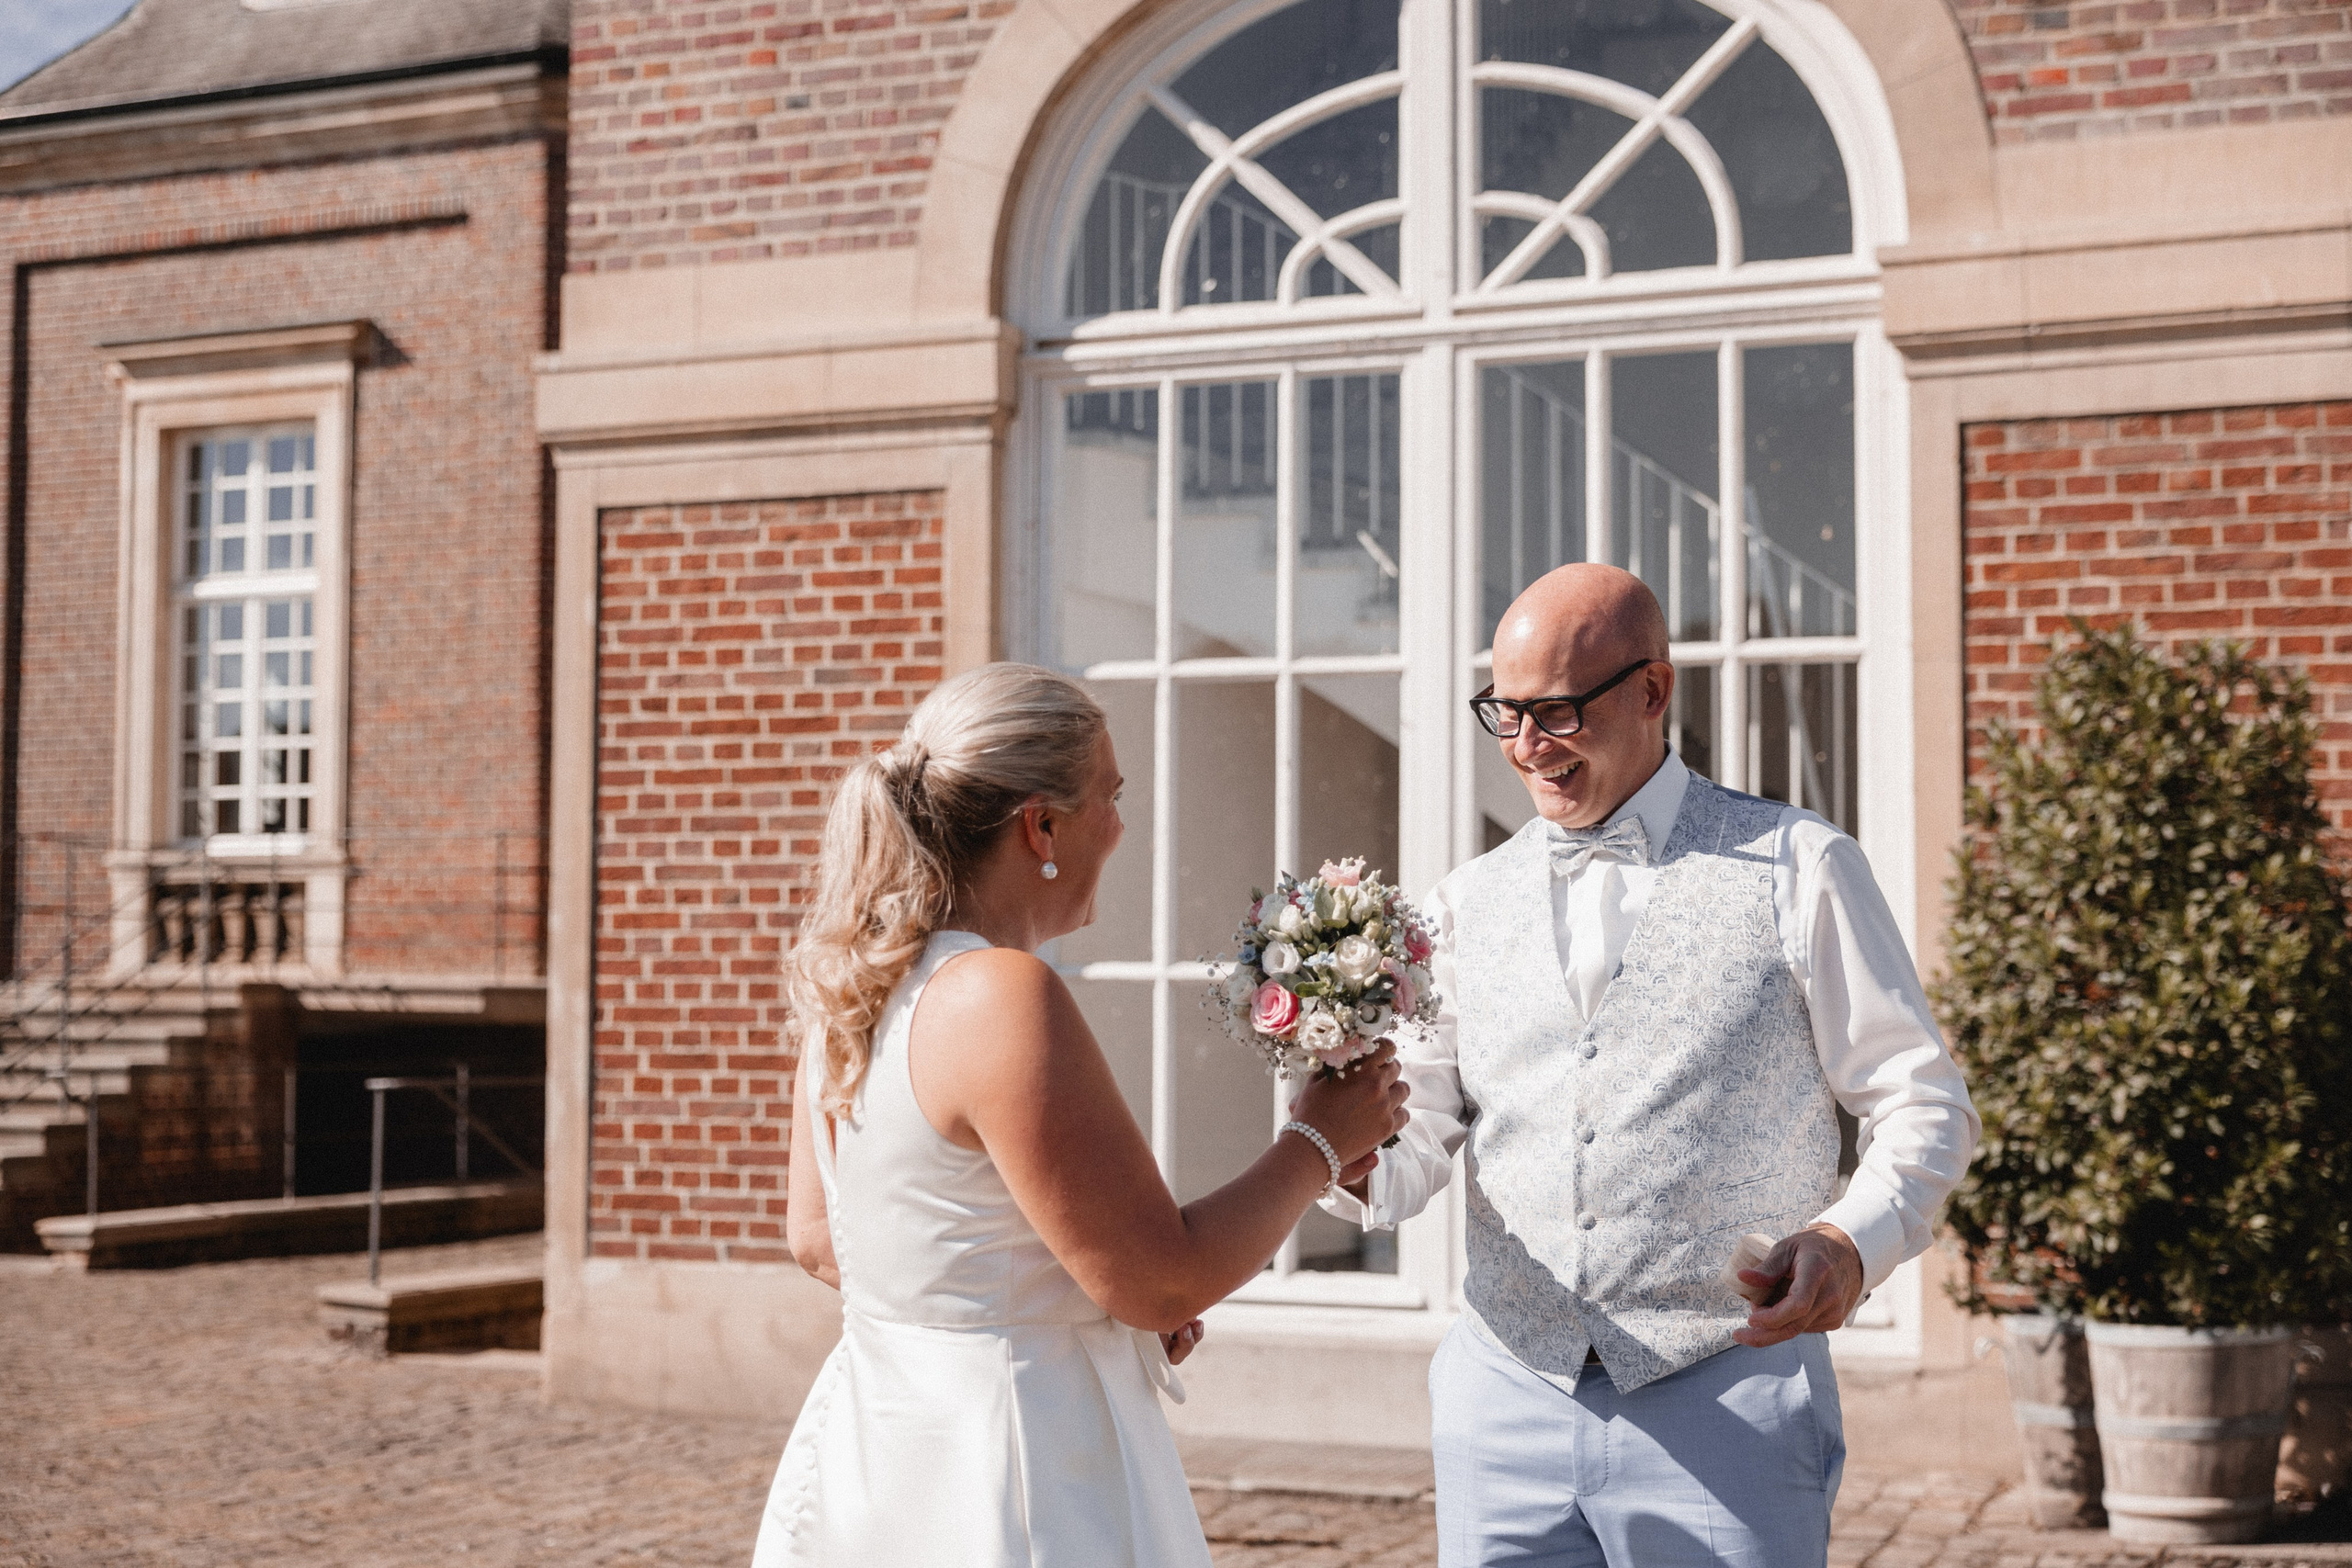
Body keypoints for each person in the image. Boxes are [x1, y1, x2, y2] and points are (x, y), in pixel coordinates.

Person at [1324, 564, 1980, 1567]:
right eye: (1503, 713)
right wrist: (1350, 1150)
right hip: (1504, 1392)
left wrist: (1851, 1242)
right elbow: (1421, 1130)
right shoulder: (1460, 902)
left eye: (1555, 713)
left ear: (1652, 691)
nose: (1526, 747)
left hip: (1729, 1393)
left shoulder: (1800, 865)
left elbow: (1921, 1099)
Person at [752, 662, 1408, 1567]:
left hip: (882, 1447)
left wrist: (1067, 1291)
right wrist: (1320, 1141)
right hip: (1013, 1462)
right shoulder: (996, 993)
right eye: (1111, 794)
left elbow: (820, 1239)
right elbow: (1164, 1283)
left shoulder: (856, 980)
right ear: (1041, 825)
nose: (1121, 824)